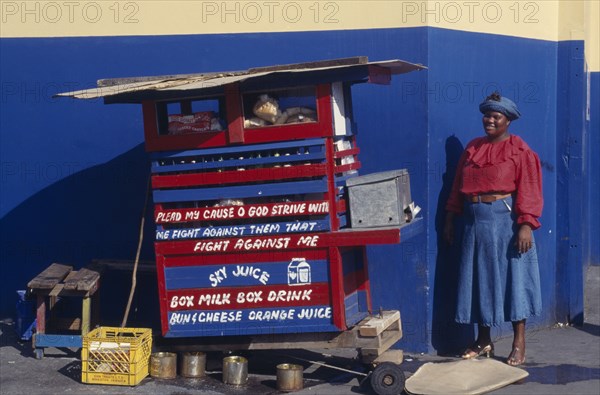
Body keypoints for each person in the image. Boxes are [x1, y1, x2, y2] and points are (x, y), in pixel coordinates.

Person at [443, 92, 543, 366]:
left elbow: (530, 188)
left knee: (514, 280)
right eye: (486, 115)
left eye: (495, 116)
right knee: (479, 280)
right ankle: (484, 339)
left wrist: (526, 225)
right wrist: (451, 219)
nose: (489, 120)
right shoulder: (473, 149)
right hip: (473, 223)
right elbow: (455, 188)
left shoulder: (520, 151)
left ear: (507, 120)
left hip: (505, 224)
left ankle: (518, 342)